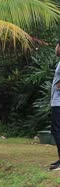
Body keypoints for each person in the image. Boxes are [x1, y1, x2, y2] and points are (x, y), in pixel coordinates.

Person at [49, 41, 60, 170]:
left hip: (59, 103)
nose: (56, 49)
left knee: (57, 131)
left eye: (57, 46)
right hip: (56, 102)